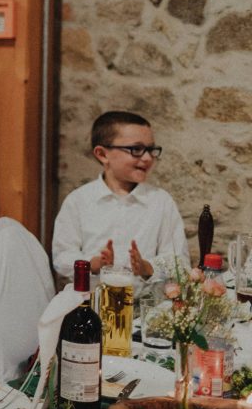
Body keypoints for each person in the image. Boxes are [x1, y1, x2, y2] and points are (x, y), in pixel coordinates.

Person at [51, 110, 189, 281]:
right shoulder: (79, 201)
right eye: (136, 149)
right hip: (92, 300)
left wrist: (147, 267)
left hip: (145, 303)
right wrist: (94, 264)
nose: (147, 158)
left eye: (150, 149)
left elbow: (179, 262)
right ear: (102, 154)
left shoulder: (160, 202)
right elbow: (62, 257)